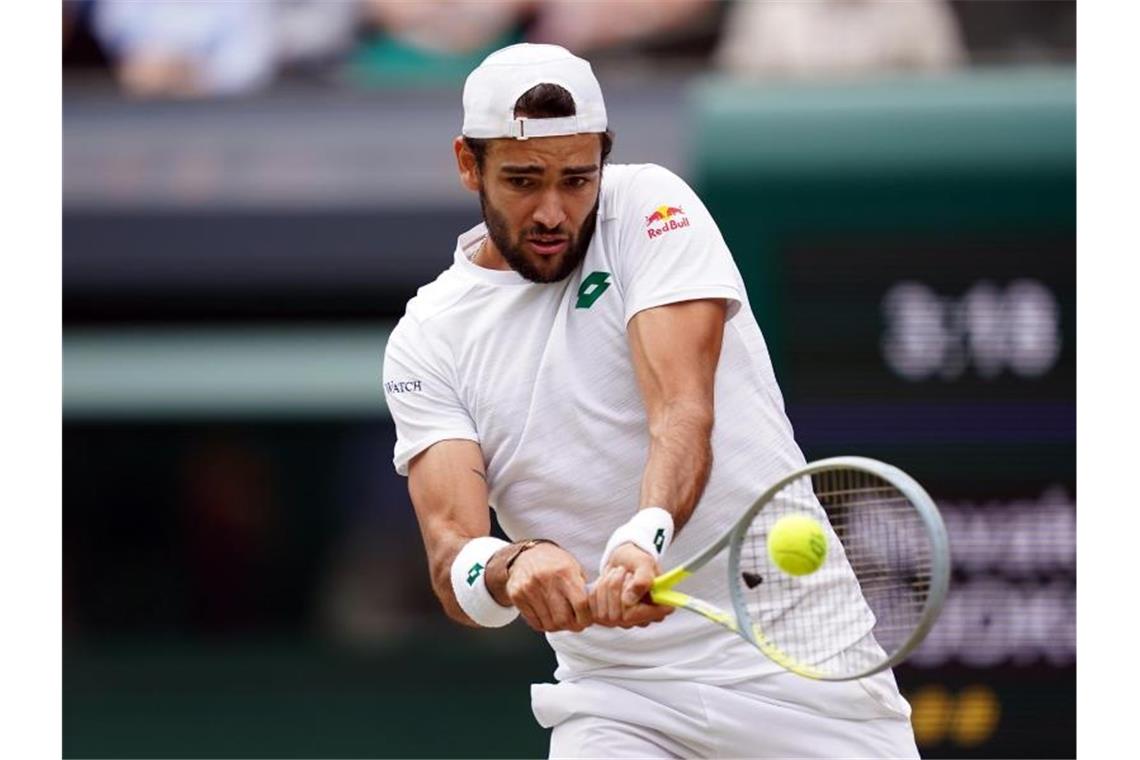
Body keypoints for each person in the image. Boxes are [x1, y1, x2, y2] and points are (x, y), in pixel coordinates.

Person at [382, 43, 919, 758]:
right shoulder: (429, 337)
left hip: (802, 669)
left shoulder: (651, 208)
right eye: (522, 180)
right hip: (619, 703)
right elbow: (454, 556)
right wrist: (513, 567)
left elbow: (681, 409)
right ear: (466, 164)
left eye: (577, 179)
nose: (553, 210)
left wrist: (645, 536)